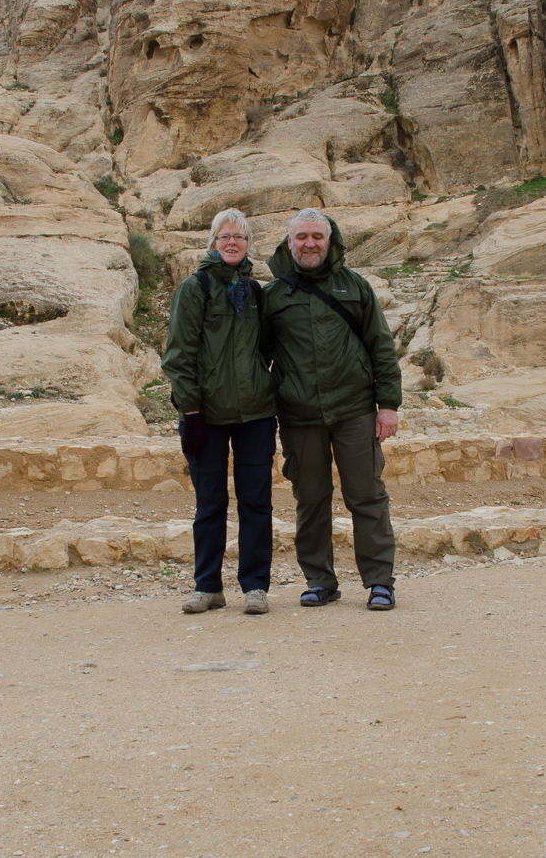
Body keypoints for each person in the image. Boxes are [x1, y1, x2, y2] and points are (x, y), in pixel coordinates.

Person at [263, 207, 402, 611]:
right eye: (302, 237)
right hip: (298, 415)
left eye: (317, 237)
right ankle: (320, 581)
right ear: (289, 242)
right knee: (310, 499)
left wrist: (388, 405)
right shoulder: (272, 296)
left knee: (367, 496)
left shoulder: (355, 286)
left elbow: (380, 345)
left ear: (330, 241)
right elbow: (258, 357)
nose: (310, 244)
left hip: (355, 409)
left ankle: (380, 582)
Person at [161, 208, 278, 615]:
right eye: (225, 236)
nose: (232, 242)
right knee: (210, 503)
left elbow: (266, 348)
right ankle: (208, 586)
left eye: (239, 237)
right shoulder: (195, 288)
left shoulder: (256, 291)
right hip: (205, 416)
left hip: (255, 414)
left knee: (256, 501)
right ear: (212, 242)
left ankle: (255, 587)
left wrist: (259, 382)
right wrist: (190, 411)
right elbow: (178, 356)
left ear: (248, 245)